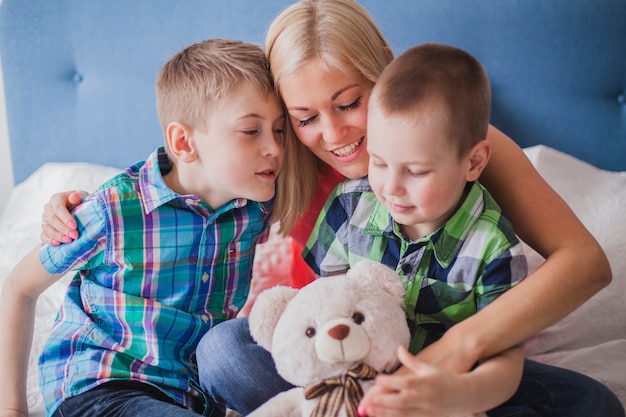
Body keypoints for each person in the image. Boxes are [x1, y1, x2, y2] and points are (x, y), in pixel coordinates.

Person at [40, 1, 624, 416]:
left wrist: (458, 352)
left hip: (441, 360)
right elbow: (174, 178)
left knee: (594, 402)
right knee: (222, 353)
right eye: (305, 117)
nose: (335, 134)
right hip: (321, 360)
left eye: (350, 103)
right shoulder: (272, 159)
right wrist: (73, 206)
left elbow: (585, 264)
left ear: (387, 78)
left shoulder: (452, 145)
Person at [0, 38, 287, 417]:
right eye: (251, 131)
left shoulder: (256, 204)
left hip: (188, 394)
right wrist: (11, 410)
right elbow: (20, 288)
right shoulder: (112, 210)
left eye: (280, 130)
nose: (275, 148)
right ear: (184, 143)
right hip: (103, 385)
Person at [302, 41, 527, 416]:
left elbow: (505, 362)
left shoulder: (494, 247)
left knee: (590, 402)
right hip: (348, 373)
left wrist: (459, 395)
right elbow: (319, 304)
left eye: (417, 171)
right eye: (379, 162)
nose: (391, 187)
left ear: (473, 162)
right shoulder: (349, 205)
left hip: (440, 386)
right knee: (228, 352)